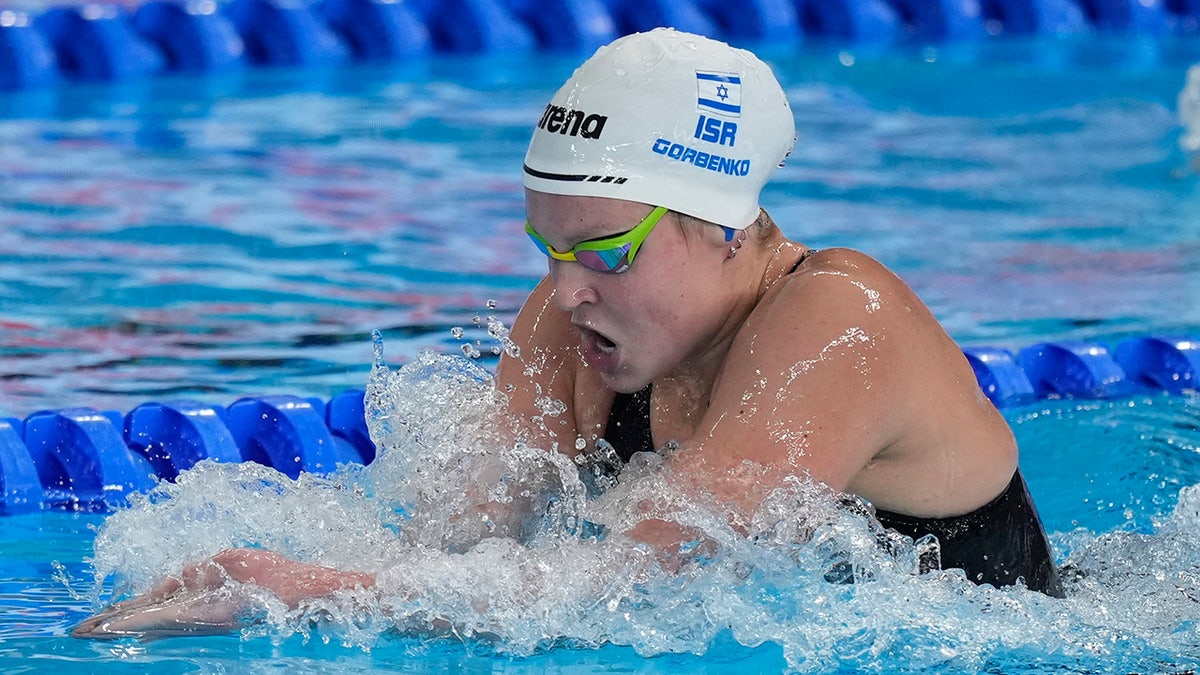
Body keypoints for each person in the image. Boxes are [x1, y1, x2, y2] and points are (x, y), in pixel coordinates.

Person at [73, 27, 1061, 641]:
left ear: (719, 225)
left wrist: (293, 586)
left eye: (607, 252)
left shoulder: (838, 322)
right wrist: (295, 579)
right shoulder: (573, 315)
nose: (565, 290)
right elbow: (462, 553)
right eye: (546, 248)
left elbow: (626, 582)